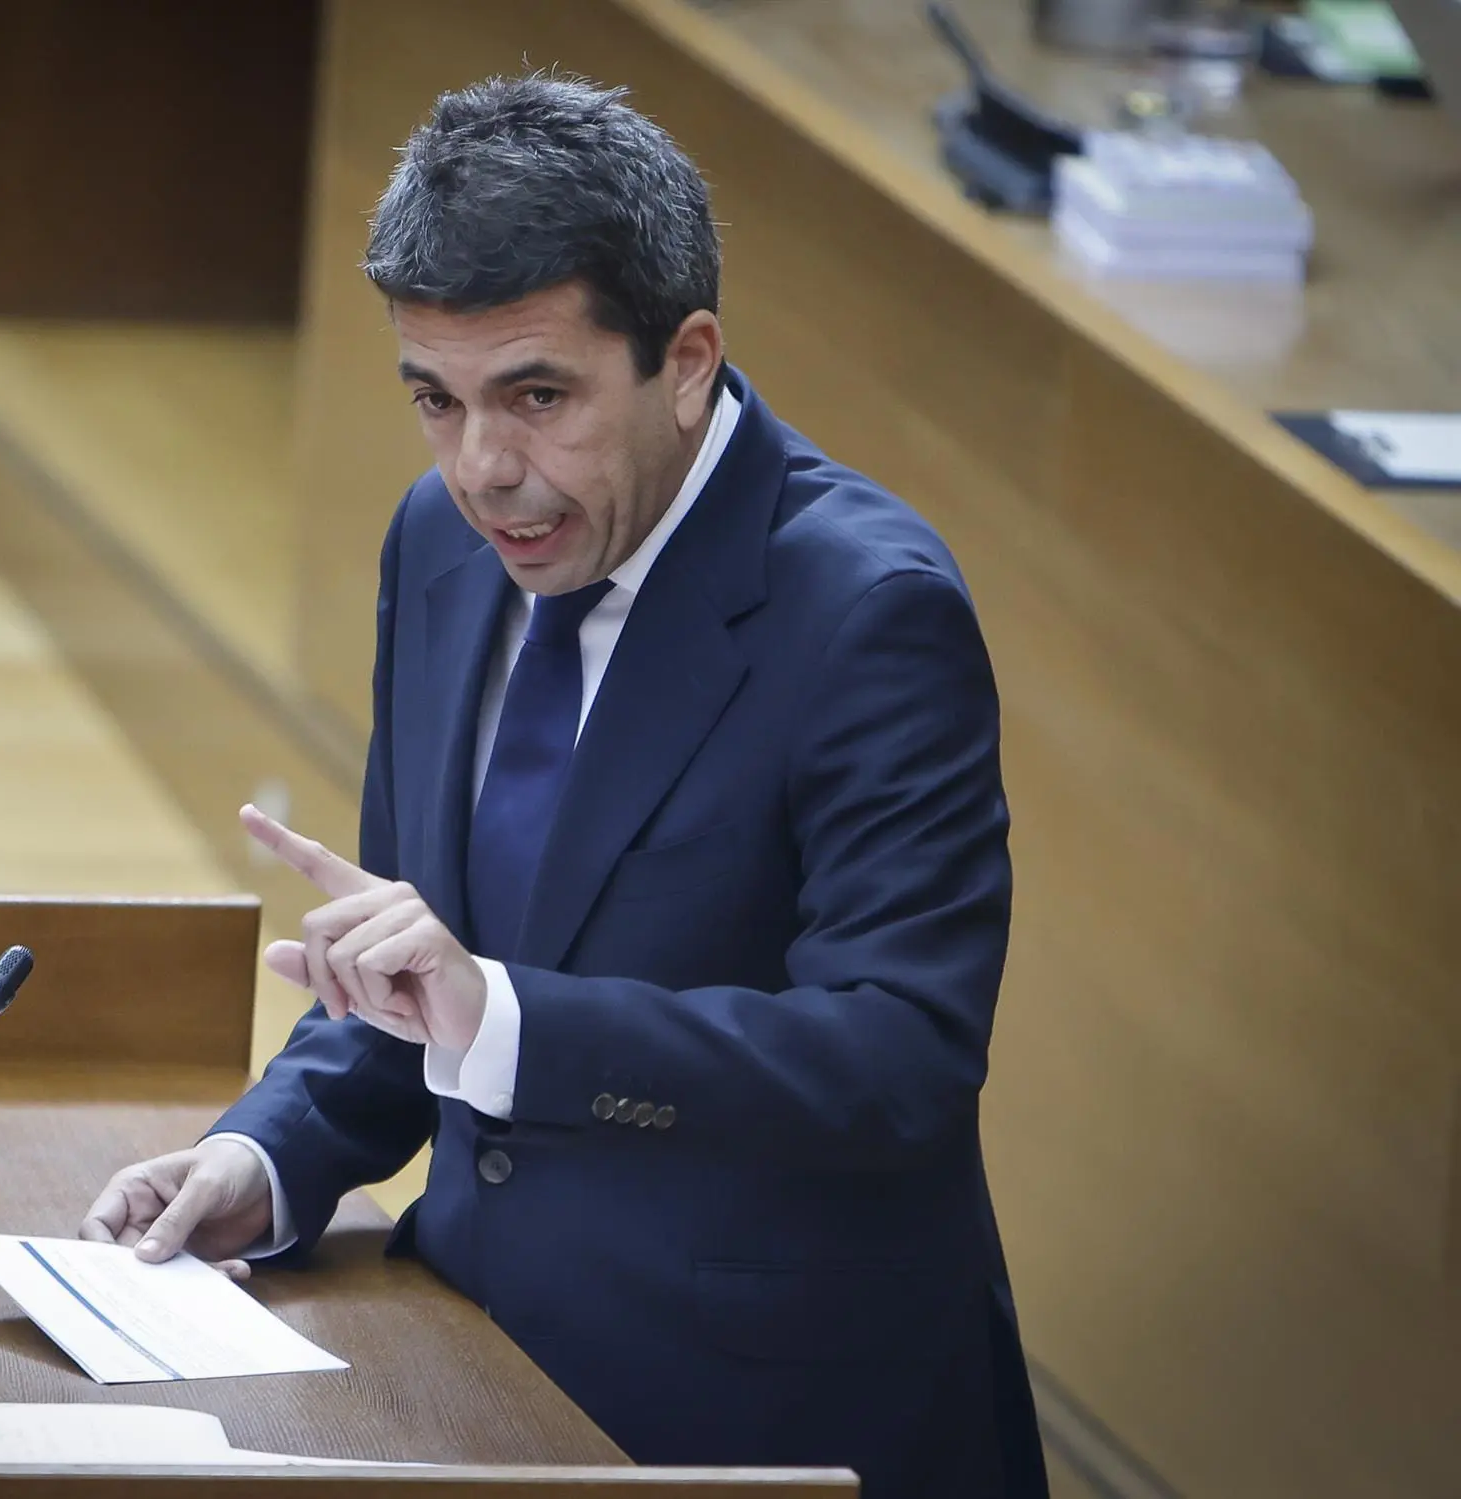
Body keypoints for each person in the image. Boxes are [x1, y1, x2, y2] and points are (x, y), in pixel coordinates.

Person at [81, 73, 1046, 1498]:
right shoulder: (440, 541)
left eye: (538, 397)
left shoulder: (865, 613)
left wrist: (508, 1018)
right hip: (468, 1364)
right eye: (437, 399)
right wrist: (268, 1157)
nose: (485, 469)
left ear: (688, 360)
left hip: (765, 1417)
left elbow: (898, 1059)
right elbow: (424, 974)